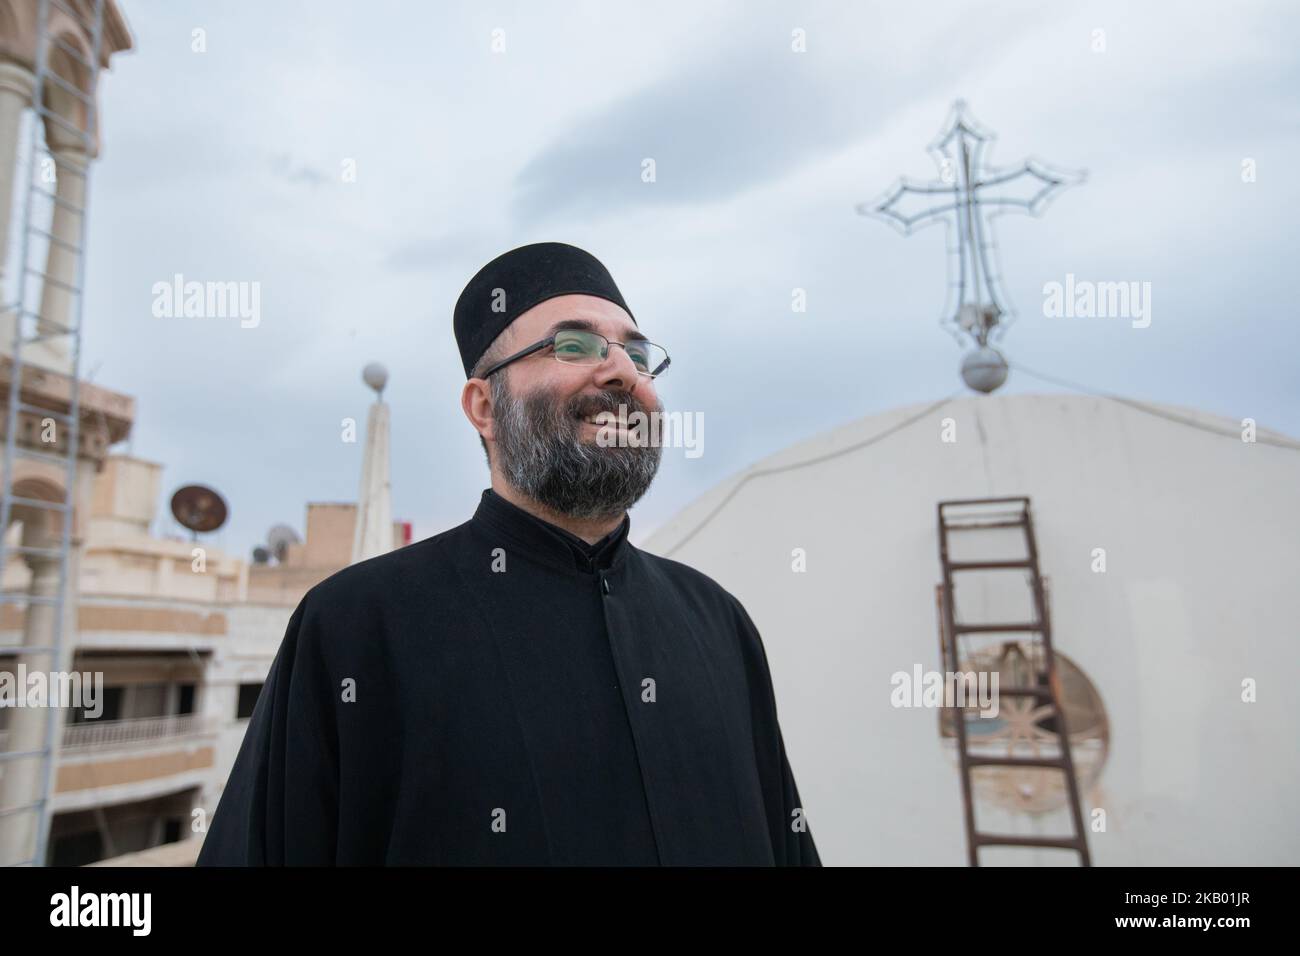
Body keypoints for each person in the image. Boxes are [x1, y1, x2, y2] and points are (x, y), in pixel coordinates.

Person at [196, 241, 821, 866]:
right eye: (573, 346)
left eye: (636, 354)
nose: (622, 372)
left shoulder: (718, 623)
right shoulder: (355, 626)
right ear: (484, 408)